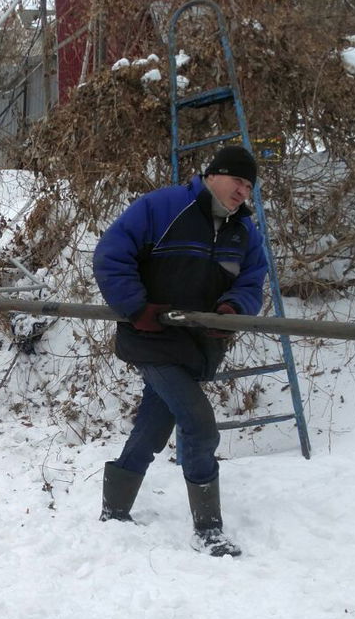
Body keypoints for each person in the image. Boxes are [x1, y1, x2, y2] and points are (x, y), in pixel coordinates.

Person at [91, 145, 268, 557]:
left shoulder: (244, 233)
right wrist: (136, 308)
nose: (243, 191)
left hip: (198, 347)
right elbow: (111, 254)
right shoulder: (164, 206)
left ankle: (114, 510)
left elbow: (251, 282)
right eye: (237, 180)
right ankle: (208, 529)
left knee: (153, 427)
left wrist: (233, 310)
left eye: (249, 186)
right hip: (151, 339)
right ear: (212, 174)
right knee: (200, 425)